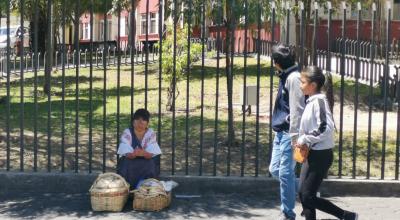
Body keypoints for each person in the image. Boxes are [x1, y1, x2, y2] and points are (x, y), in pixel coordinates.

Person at [295, 66, 357, 220]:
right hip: (312, 153)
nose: (300, 85)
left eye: (302, 82)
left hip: (321, 156)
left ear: (313, 85)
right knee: (304, 194)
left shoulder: (319, 102)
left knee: (308, 195)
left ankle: (345, 215)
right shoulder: (311, 101)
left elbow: (326, 128)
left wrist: (305, 138)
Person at [269, 44, 305, 220]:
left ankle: (288, 214)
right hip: (280, 132)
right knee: (275, 170)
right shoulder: (286, 75)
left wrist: (294, 137)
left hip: (288, 134)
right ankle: (307, 191)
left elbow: (297, 110)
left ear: (277, 62)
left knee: (284, 173)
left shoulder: (293, 78)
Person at [117, 108, 162, 189]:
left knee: (150, 163)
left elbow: (151, 153)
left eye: (144, 119)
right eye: (137, 119)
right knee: (126, 163)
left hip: (146, 161)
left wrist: (144, 153)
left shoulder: (150, 133)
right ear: (133, 122)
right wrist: (133, 154)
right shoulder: (127, 132)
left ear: (147, 123)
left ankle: (147, 189)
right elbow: (125, 151)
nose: (140, 122)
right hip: (130, 160)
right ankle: (127, 189)